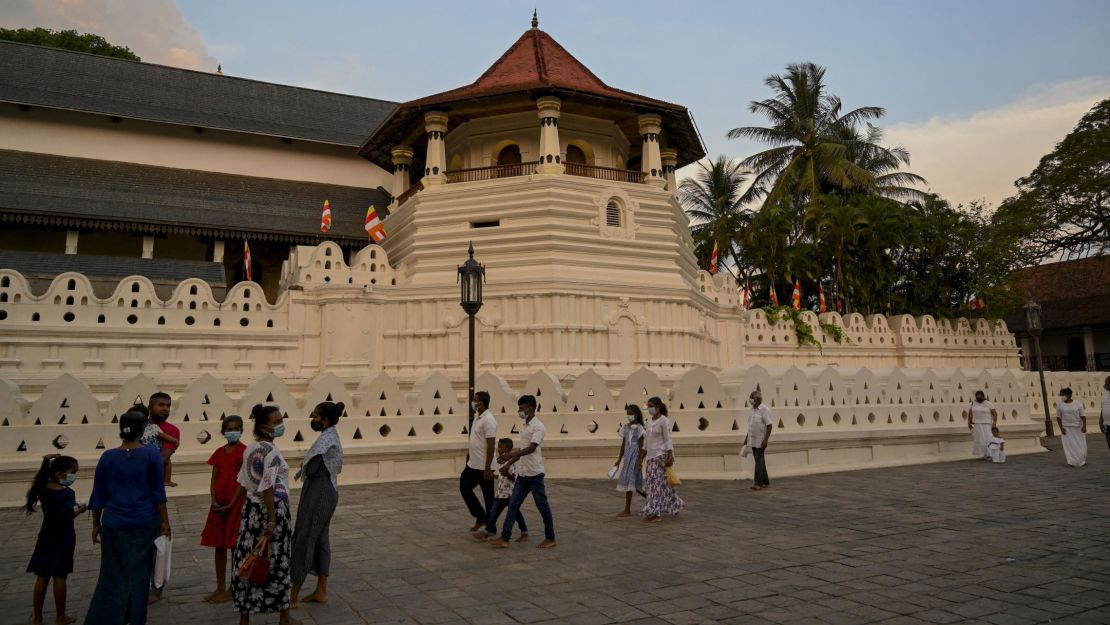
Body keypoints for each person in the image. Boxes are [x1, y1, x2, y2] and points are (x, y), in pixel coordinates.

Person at [83, 410, 170, 625]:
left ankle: (108, 618)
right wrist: (165, 522)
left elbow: (99, 494)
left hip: (113, 523)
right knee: (140, 575)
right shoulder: (151, 455)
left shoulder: (108, 457)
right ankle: (134, 618)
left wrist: (95, 524)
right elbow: (158, 493)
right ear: (143, 429)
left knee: (112, 574)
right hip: (144, 522)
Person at [231, 404, 298, 625]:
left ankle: (244, 618)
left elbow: (242, 481)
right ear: (264, 426)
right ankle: (284, 617)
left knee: (247, 560)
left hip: (250, 512)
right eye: (276, 422)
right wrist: (271, 520)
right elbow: (267, 487)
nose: (280, 425)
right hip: (272, 509)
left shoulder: (250, 448)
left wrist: (233, 504)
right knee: (277, 562)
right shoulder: (271, 452)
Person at [291, 401, 345, 608]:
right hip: (320, 490)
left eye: (316, 417)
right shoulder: (328, 437)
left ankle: (292, 595)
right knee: (320, 538)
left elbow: (312, 467)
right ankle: (321, 590)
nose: (313, 420)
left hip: (320, 491)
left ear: (326, 419)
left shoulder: (328, 439)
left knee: (305, 538)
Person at [488, 395, 556, 549]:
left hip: (535, 474)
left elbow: (531, 448)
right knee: (513, 504)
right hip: (523, 473)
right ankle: (505, 538)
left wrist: (510, 455)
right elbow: (522, 450)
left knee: (542, 506)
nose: (520, 411)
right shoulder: (525, 426)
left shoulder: (538, 427)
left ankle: (550, 538)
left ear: (530, 408)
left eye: (522, 408)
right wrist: (509, 463)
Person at [25, 454, 85, 625]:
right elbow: (67, 515)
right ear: (60, 473)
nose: (74, 476)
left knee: (42, 576)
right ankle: (60, 616)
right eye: (72, 472)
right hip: (63, 537)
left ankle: (37, 618)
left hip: (45, 536)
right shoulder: (67, 494)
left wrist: (44, 462)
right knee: (60, 576)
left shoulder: (43, 489)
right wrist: (80, 510)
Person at [200, 415, 247, 604]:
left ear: (242, 430)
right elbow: (214, 478)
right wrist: (213, 499)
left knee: (235, 546)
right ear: (223, 432)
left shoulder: (245, 452)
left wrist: (231, 504)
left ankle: (233, 587)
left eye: (236, 428)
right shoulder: (219, 452)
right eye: (229, 428)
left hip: (236, 504)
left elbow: (243, 481)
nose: (232, 431)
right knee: (219, 546)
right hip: (219, 504)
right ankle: (220, 586)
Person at [472, 438, 528, 542]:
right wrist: (492, 476)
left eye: (501, 447)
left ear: (507, 449)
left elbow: (514, 479)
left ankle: (524, 531)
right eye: (498, 446)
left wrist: (507, 474)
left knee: (515, 514)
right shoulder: (501, 461)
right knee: (495, 512)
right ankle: (488, 530)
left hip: (509, 494)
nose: (498, 449)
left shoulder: (511, 464)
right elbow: (502, 477)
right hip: (500, 494)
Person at [640, 396, 684, 522]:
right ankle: (675, 504)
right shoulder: (649, 422)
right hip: (650, 457)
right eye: (648, 406)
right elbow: (646, 442)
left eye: (651, 406)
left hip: (661, 456)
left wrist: (670, 456)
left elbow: (667, 439)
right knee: (661, 485)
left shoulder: (664, 421)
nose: (649, 409)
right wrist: (641, 459)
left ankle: (653, 512)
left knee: (655, 486)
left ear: (658, 407)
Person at [460, 391, 496, 532]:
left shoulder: (489, 420)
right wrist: (468, 457)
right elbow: (475, 440)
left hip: (484, 466)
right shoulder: (477, 418)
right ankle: (480, 517)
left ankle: (490, 526)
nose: (473, 402)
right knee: (464, 487)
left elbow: (491, 444)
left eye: (475, 400)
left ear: (482, 403)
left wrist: (487, 468)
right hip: (473, 465)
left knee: (489, 498)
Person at [613, 404, 646, 517]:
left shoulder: (640, 428)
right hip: (628, 458)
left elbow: (643, 446)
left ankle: (627, 510)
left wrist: (640, 460)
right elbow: (623, 445)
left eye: (631, 414)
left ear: (636, 415)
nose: (629, 416)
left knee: (631, 483)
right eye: (628, 414)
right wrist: (619, 459)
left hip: (635, 457)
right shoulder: (625, 428)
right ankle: (653, 501)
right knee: (634, 485)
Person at [149, 393, 180, 487]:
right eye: (161, 405)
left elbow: (162, 458)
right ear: (149, 407)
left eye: (168, 405)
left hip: (154, 484)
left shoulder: (172, 430)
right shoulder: (139, 426)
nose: (165, 408)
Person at [745, 391, 774, 490]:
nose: (751, 400)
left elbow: (769, 426)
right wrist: (746, 437)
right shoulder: (752, 410)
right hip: (752, 440)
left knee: (758, 461)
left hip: (761, 440)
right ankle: (765, 482)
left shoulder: (765, 410)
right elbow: (751, 425)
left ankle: (758, 483)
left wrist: (765, 440)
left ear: (758, 399)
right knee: (760, 461)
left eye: (752, 398)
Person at [1056, 387, 1086, 468]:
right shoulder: (1060, 405)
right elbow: (1058, 417)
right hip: (1066, 428)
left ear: (1068, 395)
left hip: (1077, 427)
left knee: (1079, 444)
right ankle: (1071, 461)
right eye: (1060, 395)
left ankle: (1080, 460)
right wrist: (1061, 428)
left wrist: (1084, 426)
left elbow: (1083, 416)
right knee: (1068, 445)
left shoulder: (1077, 403)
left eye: (1063, 394)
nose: (1061, 396)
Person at [968, 390, 997, 459]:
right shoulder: (973, 403)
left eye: (980, 396)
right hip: (977, 424)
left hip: (987, 424)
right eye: (977, 396)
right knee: (980, 439)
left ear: (983, 396)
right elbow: (970, 414)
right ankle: (984, 454)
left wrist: (994, 424)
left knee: (988, 439)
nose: (979, 398)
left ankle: (990, 454)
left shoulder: (989, 403)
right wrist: (969, 423)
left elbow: (994, 414)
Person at [1100, 375, 1110, 451]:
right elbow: (1103, 408)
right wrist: (1100, 422)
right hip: (1108, 426)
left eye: (1107, 384)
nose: (1106, 387)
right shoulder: (1106, 395)